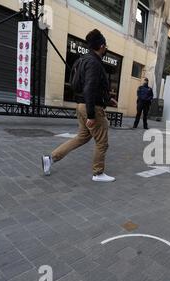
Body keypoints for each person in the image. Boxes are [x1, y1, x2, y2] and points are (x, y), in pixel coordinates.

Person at [42, 29, 117, 182]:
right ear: (101, 46)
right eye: (105, 45)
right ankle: (98, 174)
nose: (106, 48)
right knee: (102, 142)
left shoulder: (82, 60)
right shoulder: (94, 63)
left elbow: (84, 86)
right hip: (92, 108)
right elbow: (89, 88)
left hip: (81, 105)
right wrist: (91, 115)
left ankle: (50, 158)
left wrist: (108, 100)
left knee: (82, 137)